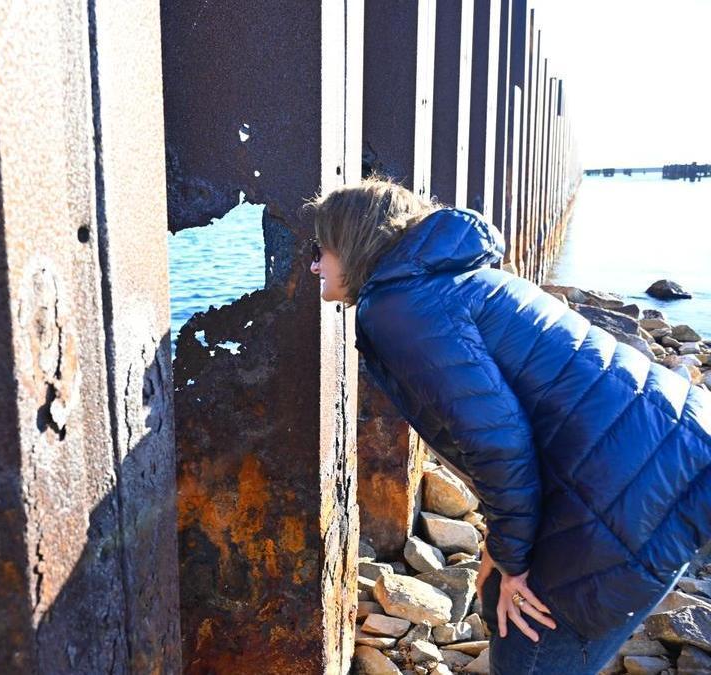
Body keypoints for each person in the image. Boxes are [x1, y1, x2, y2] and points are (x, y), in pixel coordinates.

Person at [303, 177, 711, 673]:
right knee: (512, 601)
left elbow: (500, 442)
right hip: (678, 445)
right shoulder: (455, 281)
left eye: (321, 248)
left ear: (353, 242)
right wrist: (503, 548)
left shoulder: (398, 307)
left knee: (527, 639)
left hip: (636, 483)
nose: (314, 264)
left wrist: (515, 562)